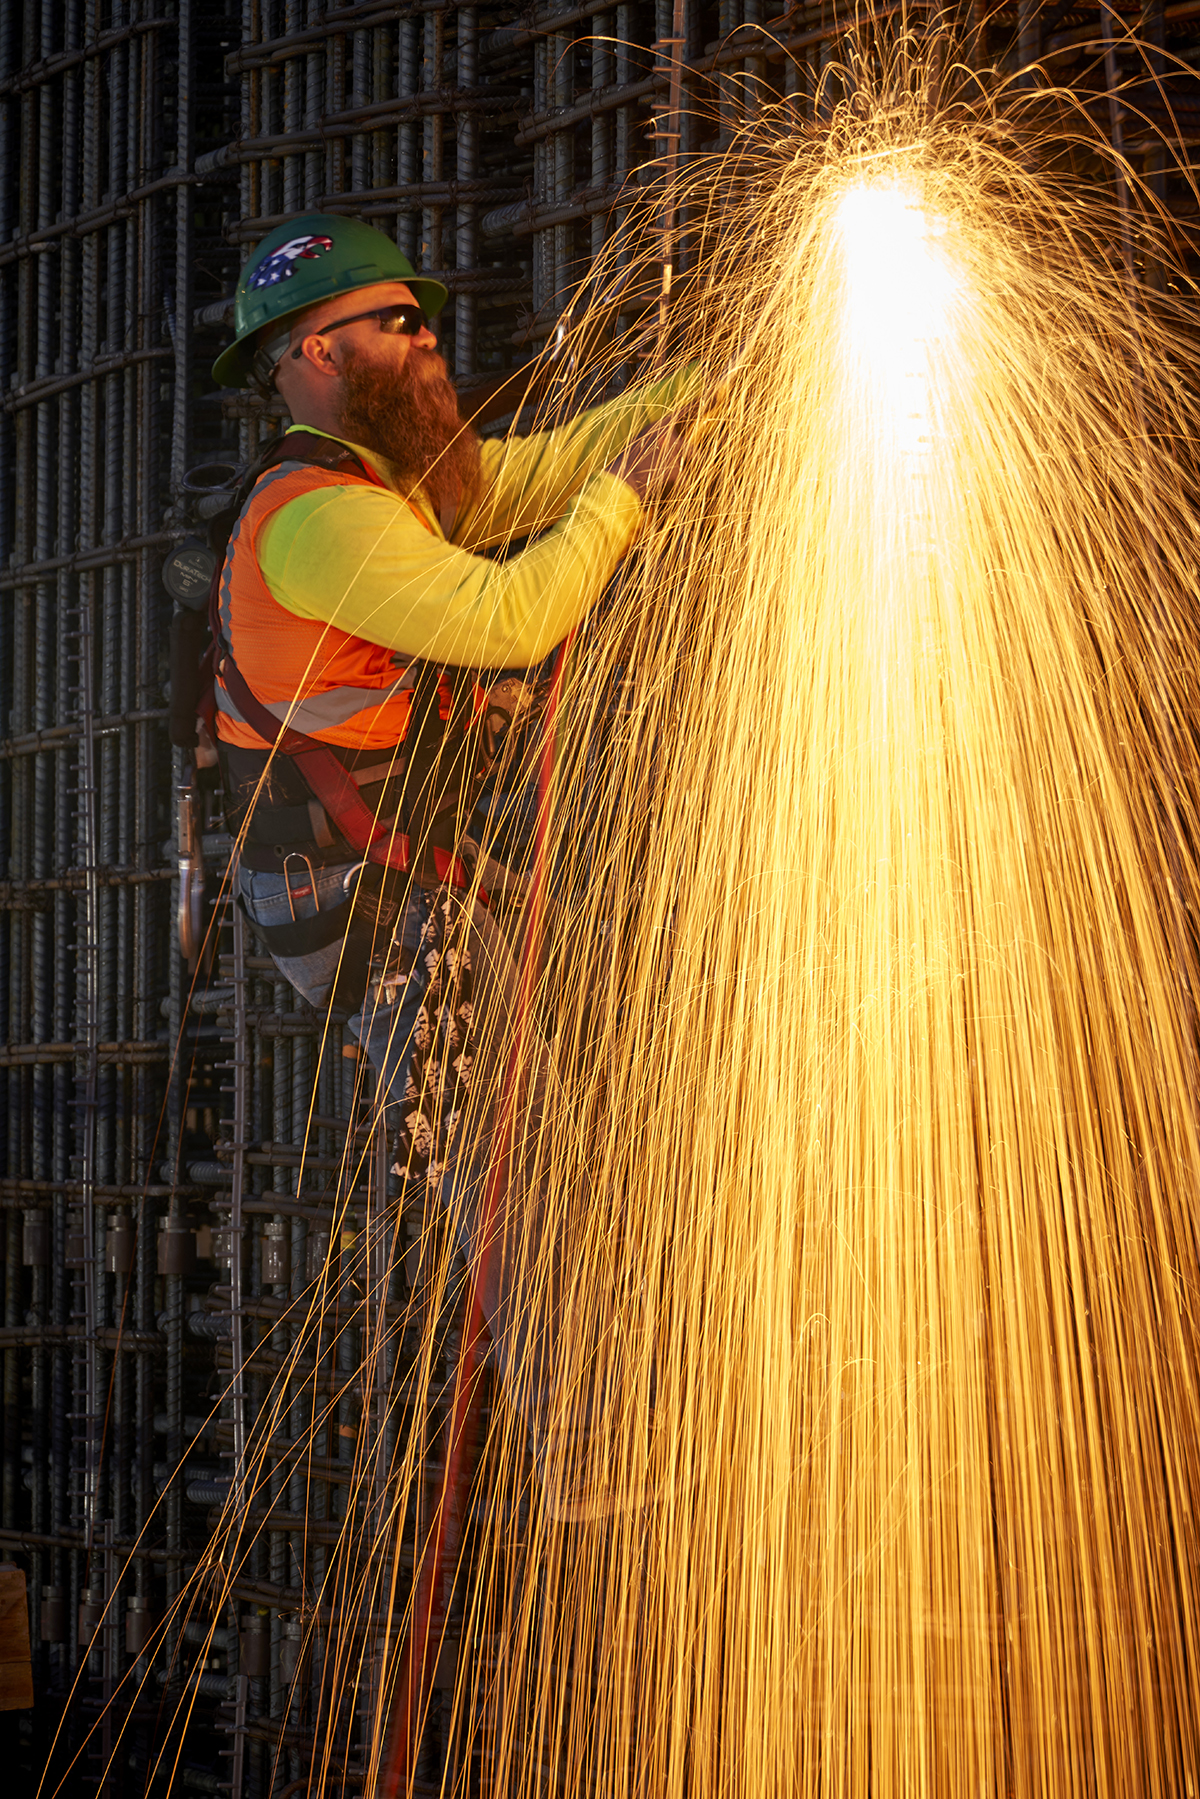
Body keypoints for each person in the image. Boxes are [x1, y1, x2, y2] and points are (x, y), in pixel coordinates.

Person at [209, 213, 697, 1515]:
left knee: (568, 1060)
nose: (429, 342)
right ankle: (610, 1468)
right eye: (396, 323)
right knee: (515, 1161)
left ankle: (641, 1385)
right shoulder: (315, 522)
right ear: (315, 353)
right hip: (357, 906)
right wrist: (631, 497)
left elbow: (525, 477)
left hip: (396, 868)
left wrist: (692, 398)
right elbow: (510, 616)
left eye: (424, 319)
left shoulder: (386, 484)